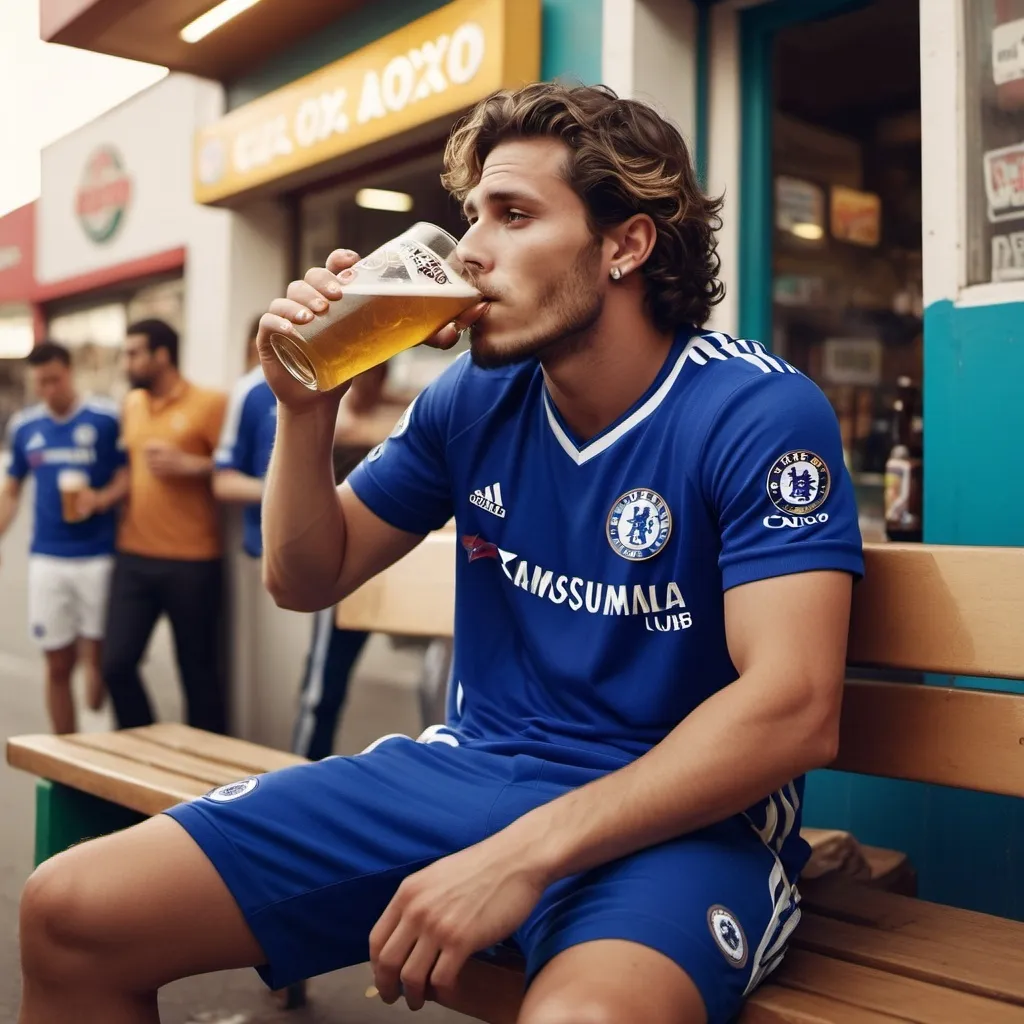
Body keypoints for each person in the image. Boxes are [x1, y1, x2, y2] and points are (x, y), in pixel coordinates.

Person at [18, 84, 863, 1024]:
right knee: (70, 912)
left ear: (626, 244)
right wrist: (308, 409)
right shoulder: (472, 397)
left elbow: (793, 708)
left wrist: (523, 854)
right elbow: (306, 577)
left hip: (682, 819)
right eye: (471, 217)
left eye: (513, 214)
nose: (470, 250)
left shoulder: (755, 410)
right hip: (473, 770)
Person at [213, 319, 378, 760]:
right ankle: (292, 772)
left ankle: (299, 769)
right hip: (275, 556)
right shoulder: (251, 392)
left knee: (321, 682)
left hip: (355, 551)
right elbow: (223, 480)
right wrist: (290, 498)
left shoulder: (346, 378)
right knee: (296, 689)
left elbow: (364, 434)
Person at [102, 318, 228, 734]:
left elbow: (237, 468)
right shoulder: (132, 405)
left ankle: (210, 780)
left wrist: (194, 466)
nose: (127, 362)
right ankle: (145, 746)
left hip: (192, 562)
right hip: (134, 556)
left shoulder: (210, 404)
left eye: (134, 353)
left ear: (162, 355)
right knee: (115, 664)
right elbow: (129, 471)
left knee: (199, 673)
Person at [0, 341, 128, 734]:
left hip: (98, 556)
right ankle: (64, 754)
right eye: (40, 383)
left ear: (69, 371)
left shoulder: (105, 417)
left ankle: (96, 745)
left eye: (54, 380)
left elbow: (127, 476)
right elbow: (12, 489)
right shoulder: (24, 427)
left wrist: (102, 498)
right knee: (57, 662)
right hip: (48, 558)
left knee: (99, 659)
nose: (48, 390)